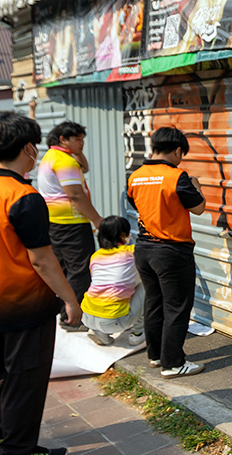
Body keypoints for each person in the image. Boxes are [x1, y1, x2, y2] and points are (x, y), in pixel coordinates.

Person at [0, 112, 81, 455]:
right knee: (26, 375)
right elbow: (42, 259)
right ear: (28, 147)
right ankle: (18, 454)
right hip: (26, 301)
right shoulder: (24, 197)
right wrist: (71, 300)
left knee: (0, 369)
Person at [127, 126, 206, 377]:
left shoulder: (135, 175)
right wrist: (196, 185)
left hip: (144, 249)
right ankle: (173, 363)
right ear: (177, 150)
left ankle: (156, 355)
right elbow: (199, 208)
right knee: (177, 306)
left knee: (154, 302)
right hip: (172, 251)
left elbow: (135, 202)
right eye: (181, 154)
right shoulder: (177, 176)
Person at [37, 120, 102, 331]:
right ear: (63, 139)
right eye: (77, 139)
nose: (81, 144)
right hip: (72, 224)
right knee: (80, 270)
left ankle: (64, 313)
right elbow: (75, 194)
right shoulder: (64, 162)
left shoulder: (52, 157)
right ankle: (73, 319)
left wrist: (77, 152)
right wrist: (97, 220)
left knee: (65, 269)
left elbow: (85, 167)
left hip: (55, 223)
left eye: (83, 140)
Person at [81, 215, 146, 348]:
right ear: (123, 235)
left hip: (87, 315)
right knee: (148, 284)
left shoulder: (96, 256)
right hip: (113, 320)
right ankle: (138, 333)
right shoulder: (132, 252)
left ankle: (101, 334)